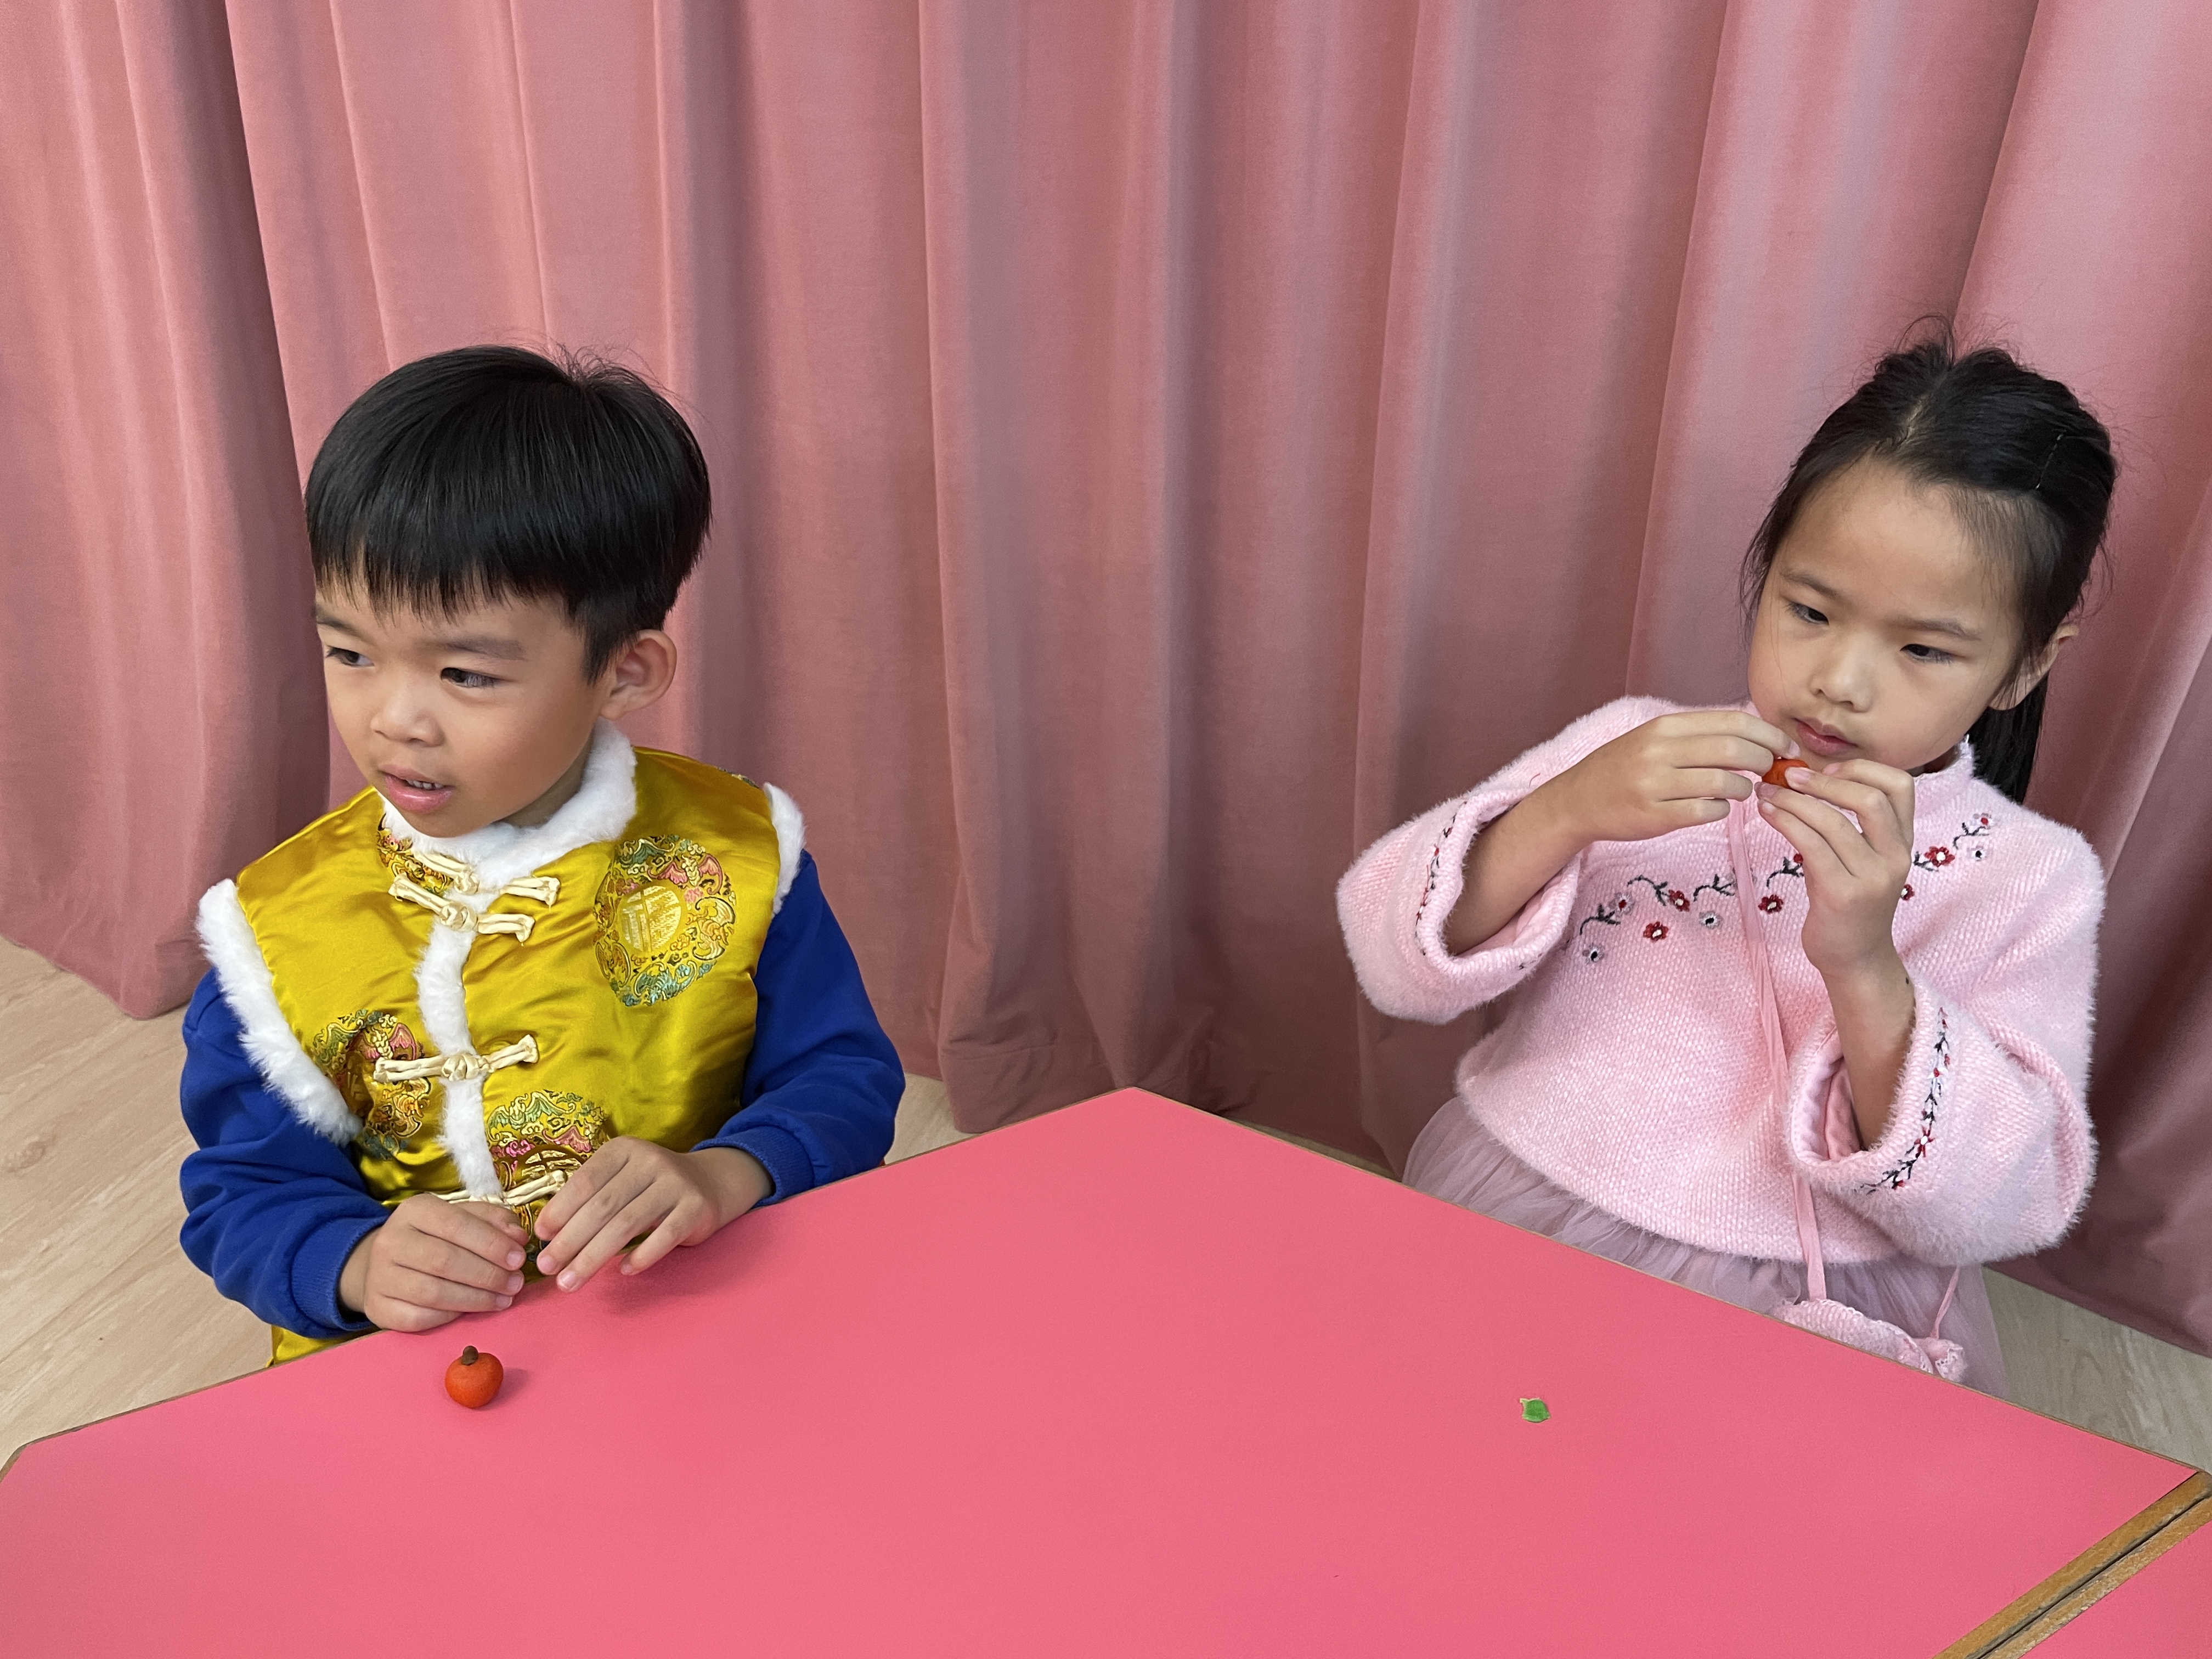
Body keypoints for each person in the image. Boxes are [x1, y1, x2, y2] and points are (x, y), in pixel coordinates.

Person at [1337, 335, 2117, 1393]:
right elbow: (1391, 957)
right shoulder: (1633, 747)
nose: (1840, 680)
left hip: (1804, 1303)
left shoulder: (2030, 877)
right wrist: (1565, 810)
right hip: (1528, 1207)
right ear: (1767, 572)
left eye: (1923, 650)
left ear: (2025, 665)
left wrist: (1863, 963)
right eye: (1810, 611)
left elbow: (2002, 1200)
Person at [179, 346, 904, 1363]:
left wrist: (727, 1173)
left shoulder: (739, 856)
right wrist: (354, 1261)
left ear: (625, 672)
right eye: (350, 653)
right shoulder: (273, 930)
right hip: (415, 1372)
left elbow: (842, 1076)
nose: (394, 720)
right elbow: (241, 1193)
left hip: (691, 1326)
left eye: (466, 675)